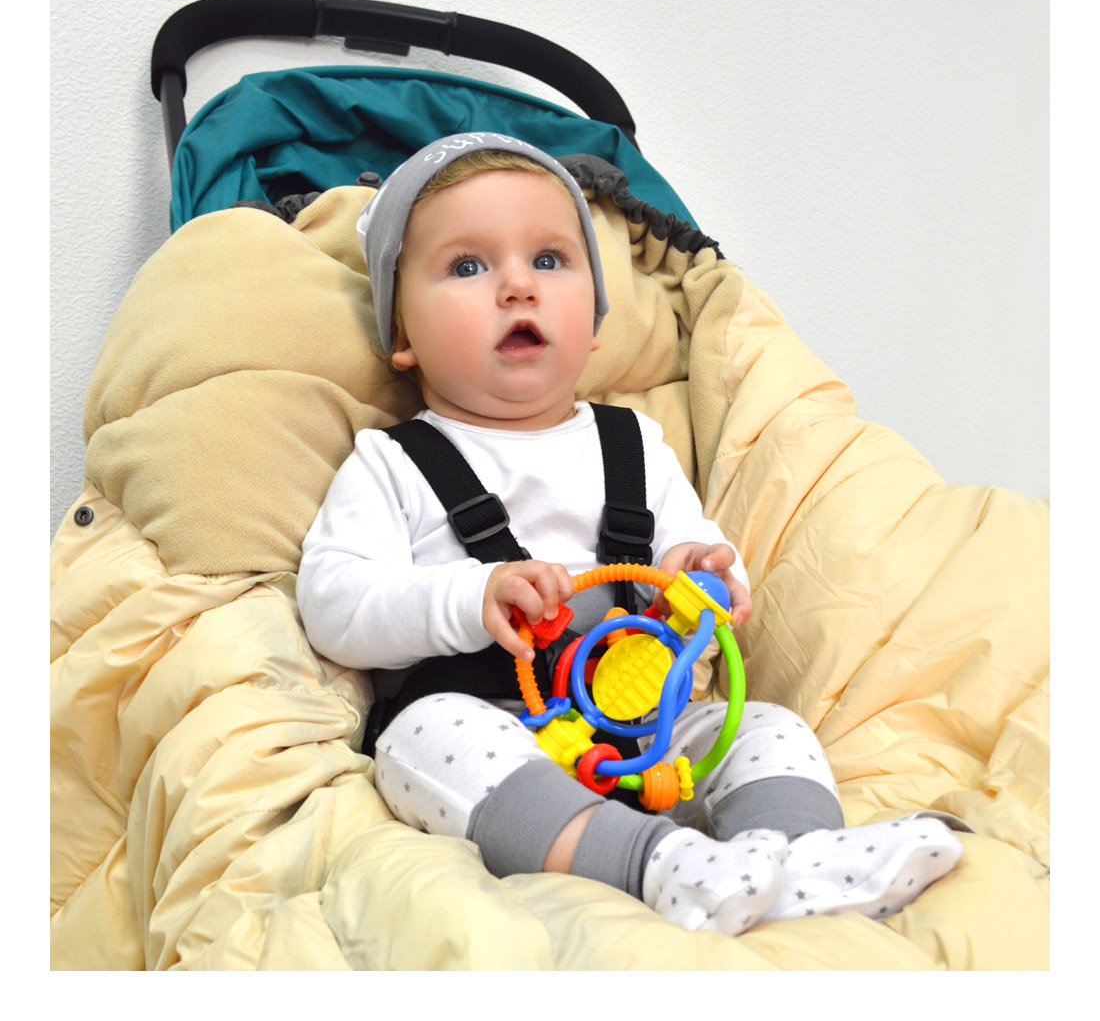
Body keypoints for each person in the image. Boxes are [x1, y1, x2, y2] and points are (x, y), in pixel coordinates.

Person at [297, 132, 963, 934]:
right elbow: (333, 604)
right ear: (401, 334)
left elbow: (705, 569)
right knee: (421, 739)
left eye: (549, 260)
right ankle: (658, 865)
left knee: (768, 727)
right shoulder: (392, 462)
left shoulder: (633, 445)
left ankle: (794, 859)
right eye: (468, 266)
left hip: (644, 734)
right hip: (501, 732)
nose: (517, 286)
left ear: (594, 323)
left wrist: (703, 577)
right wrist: (470, 598)